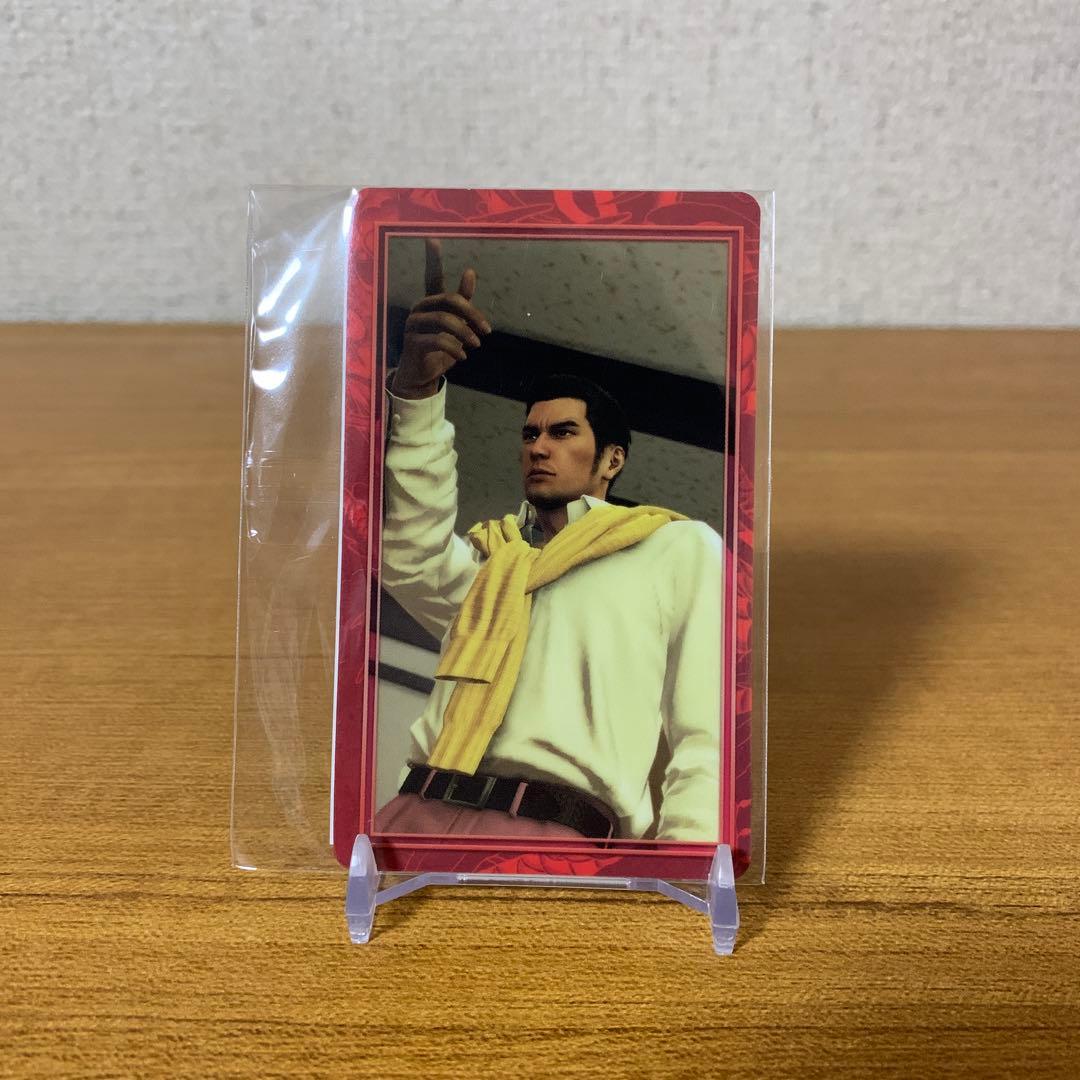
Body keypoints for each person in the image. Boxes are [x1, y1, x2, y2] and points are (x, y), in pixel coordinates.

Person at [373, 239, 724, 843]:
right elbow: (410, 555)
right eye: (530, 434)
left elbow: (707, 726)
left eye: (562, 433)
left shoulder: (675, 548)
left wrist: (688, 858)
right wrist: (417, 394)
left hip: (558, 829)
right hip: (413, 809)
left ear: (612, 459)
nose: (538, 446)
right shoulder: (498, 562)